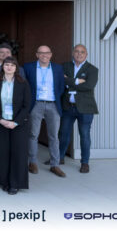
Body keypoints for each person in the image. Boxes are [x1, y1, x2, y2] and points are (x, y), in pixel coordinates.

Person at [0, 57, 31, 194]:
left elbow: (27, 105)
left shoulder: (23, 83)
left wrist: (15, 122)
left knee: (18, 153)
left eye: (12, 65)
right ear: (3, 66)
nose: (9, 67)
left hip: (18, 123)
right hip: (0, 123)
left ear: (16, 68)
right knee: (2, 152)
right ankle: (4, 181)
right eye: (7, 64)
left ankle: (15, 183)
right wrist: (0, 120)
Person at [23, 45, 66, 177]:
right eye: (41, 53)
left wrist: (55, 98)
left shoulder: (58, 68)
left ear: (51, 54)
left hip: (53, 104)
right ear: (37, 55)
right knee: (33, 134)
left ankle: (55, 165)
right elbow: (25, 86)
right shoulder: (28, 67)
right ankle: (33, 162)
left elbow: (61, 86)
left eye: (47, 53)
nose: (44, 55)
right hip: (36, 104)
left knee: (54, 136)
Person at [60, 45, 99, 173]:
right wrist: (77, 81)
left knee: (84, 135)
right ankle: (59, 157)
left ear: (86, 54)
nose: (79, 54)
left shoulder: (92, 69)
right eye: (77, 51)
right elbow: (60, 81)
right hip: (68, 107)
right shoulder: (65, 66)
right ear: (73, 53)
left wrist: (69, 82)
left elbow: (89, 86)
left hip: (85, 108)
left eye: (82, 52)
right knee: (63, 134)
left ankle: (85, 163)